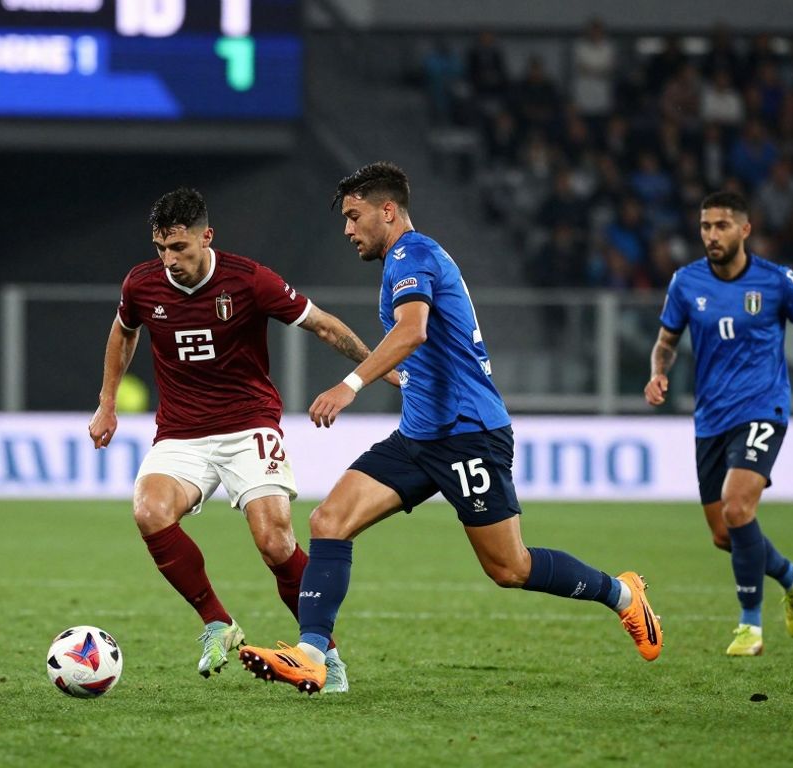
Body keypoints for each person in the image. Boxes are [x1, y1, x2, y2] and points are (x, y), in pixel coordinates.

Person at [239, 162, 662, 694]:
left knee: (509, 568)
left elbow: (413, 330)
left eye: (354, 216)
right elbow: (422, 339)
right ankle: (314, 657)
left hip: (468, 433)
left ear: (387, 211)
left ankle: (622, 594)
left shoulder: (412, 254)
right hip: (419, 436)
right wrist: (398, 374)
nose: (347, 229)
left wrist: (351, 384)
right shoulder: (405, 259)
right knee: (328, 521)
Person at [87, 188, 395, 694]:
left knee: (275, 542)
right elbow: (124, 331)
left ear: (206, 237)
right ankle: (217, 622)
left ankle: (325, 654)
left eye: (179, 248)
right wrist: (107, 403)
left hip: (248, 425)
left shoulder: (249, 280)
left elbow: (322, 325)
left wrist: (377, 368)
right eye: (161, 249)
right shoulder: (141, 284)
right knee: (148, 511)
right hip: (181, 431)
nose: (169, 260)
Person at [645, 190, 793, 656]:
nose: (712, 235)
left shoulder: (777, 281)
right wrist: (658, 372)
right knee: (725, 534)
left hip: (763, 408)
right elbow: (666, 341)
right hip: (711, 418)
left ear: (744, 229)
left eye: (721, 226)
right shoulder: (686, 283)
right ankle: (791, 575)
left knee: (738, 506)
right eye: (705, 226)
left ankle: (750, 626)